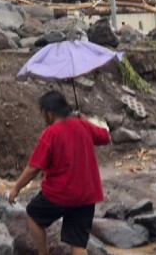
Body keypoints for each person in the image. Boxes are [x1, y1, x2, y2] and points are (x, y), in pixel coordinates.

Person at [7, 91, 111, 255]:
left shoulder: (51, 133)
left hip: (61, 193)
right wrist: (85, 120)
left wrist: (16, 188)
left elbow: (33, 168)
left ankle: (43, 253)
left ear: (49, 113)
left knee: (33, 214)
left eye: (43, 113)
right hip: (87, 195)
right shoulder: (82, 125)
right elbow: (106, 137)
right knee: (78, 244)